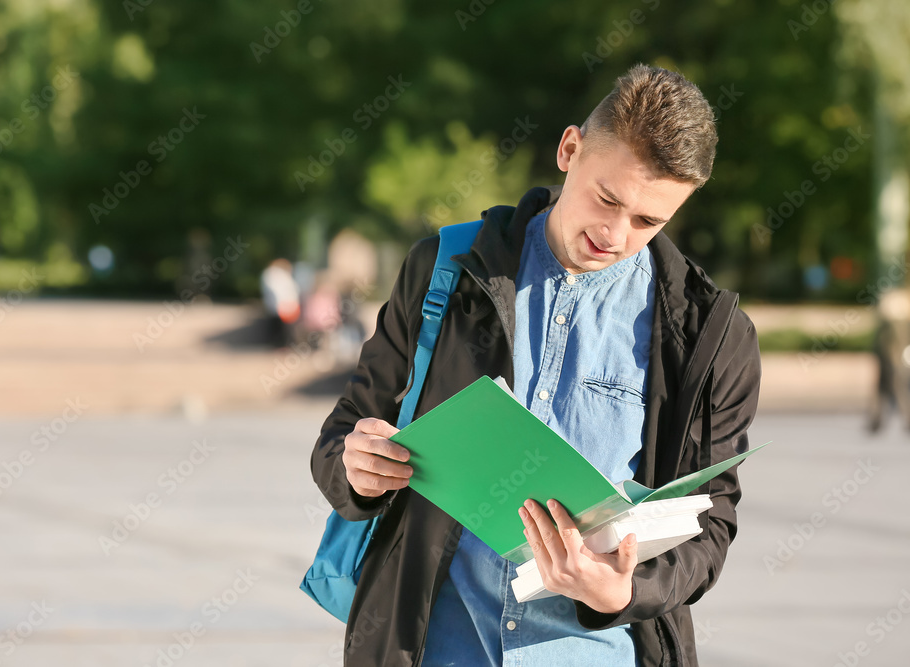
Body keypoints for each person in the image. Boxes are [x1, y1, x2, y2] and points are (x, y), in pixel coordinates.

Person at [310, 64, 762, 666]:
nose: (615, 233)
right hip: (431, 646)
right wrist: (358, 470)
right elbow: (344, 434)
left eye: (648, 221)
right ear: (569, 149)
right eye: (607, 199)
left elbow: (712, 522)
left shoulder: (712, 336)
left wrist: (622, 589)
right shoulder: (445, 269)